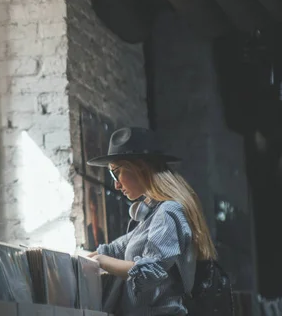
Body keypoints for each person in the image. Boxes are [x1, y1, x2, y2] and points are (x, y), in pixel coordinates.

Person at [86, 127, 217, 316]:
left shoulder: (168, 211)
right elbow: (117, 248)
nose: (116, 184)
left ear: (139, 167)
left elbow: (149, 271)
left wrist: (100, 261)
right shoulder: (152, 215)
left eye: (116, 172)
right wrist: (81, 259)